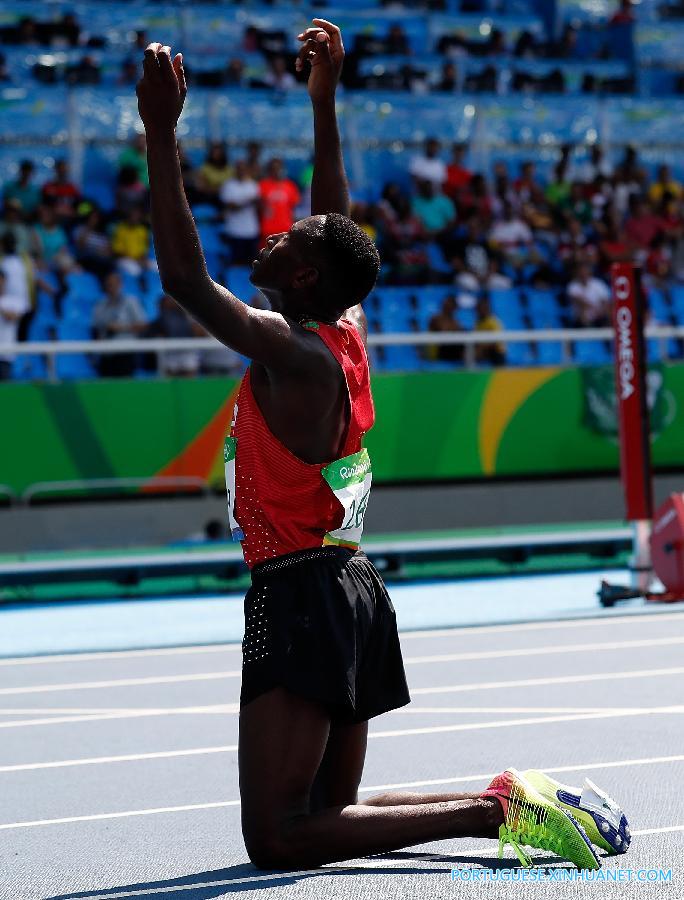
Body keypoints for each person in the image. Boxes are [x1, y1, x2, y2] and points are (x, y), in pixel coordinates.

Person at [136, 23, 627, 873]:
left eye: (287, 240)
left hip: (300, 594)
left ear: (302, 281)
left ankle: (484, 818)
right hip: (350, 587)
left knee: (280, 838)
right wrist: (325, 105)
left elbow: (184, 279)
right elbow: (337, 226)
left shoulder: (293, 353)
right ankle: (506, 798)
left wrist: (159, 134)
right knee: (332, 814)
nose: (274, 232)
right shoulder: (342, 330)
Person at [92, 270, 147, 376]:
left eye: (113, 284)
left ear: (119, 284)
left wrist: (122, 328)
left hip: (125, 351)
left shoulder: (131, 302)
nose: (111, 287)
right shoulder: (100, 305)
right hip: (106, 352)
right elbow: (95, 326)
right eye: (108, 284)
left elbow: (142, 325)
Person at [220, 160, 261, 265]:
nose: (241, 171)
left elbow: (258, 206)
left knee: (250, 265)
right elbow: (231, 206)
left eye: (243, 169)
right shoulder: (228, 185)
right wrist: (249, 201)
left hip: (251, 230)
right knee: (236, 264)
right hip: (234, 231)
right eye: (239, 169)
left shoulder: (253, 185)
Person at [258, 158, 300, 246]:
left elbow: (293, 207)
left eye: (278, 168)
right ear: (269, 170)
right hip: (267, 229)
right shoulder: (263, 185)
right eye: (273, 168)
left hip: (285, 228)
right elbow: (258, 207)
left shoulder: (290, 185)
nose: (276, 171)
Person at [0, 269, 30, 380]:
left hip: (6, 353)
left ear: (4, 280)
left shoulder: (14, 301)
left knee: (5, 392)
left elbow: (11, 318)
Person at [567, 262, 611, 327]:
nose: (583, 274)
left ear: (589, 272)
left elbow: (605, 301)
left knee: (608, 309)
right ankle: (586, 330)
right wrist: (594, 309)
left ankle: (607, 332)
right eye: (581, 272)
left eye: (585, 272)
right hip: (582, 317)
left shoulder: (598, 284)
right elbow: (579, 302)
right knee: (582, 309)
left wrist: (600, 311)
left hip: (599, 314)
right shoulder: (573, 286)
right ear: (577, 273)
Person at [427, 294, 464, 362]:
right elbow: (444, 332)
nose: (448, 306)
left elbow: (459, 332)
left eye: (451, 305)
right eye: (447, 304)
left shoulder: (455, 321)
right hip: (439, 349)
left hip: (453, 349)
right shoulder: (435, 318)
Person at [474, 295, 505, 365]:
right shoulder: (478, 323)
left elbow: (496, 341)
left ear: (487, 309)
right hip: (484, 351)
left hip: (496, 352)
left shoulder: (493, 322)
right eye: (478, 309)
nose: (480, 311)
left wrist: (482, 347)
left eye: (483, 308)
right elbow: (476, 339)